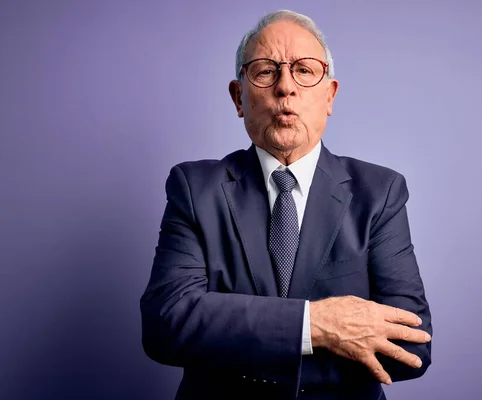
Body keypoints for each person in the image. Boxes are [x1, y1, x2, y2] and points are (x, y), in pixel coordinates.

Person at [140, 9, 433, 400]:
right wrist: (317, 325)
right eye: (265, 71)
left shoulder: (380, 193)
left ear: (329, 95)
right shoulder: (195, 188)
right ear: (238, 96)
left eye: (304, 70)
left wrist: (233, 337)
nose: (285, 88)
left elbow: (411, 347)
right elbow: (167, 324)